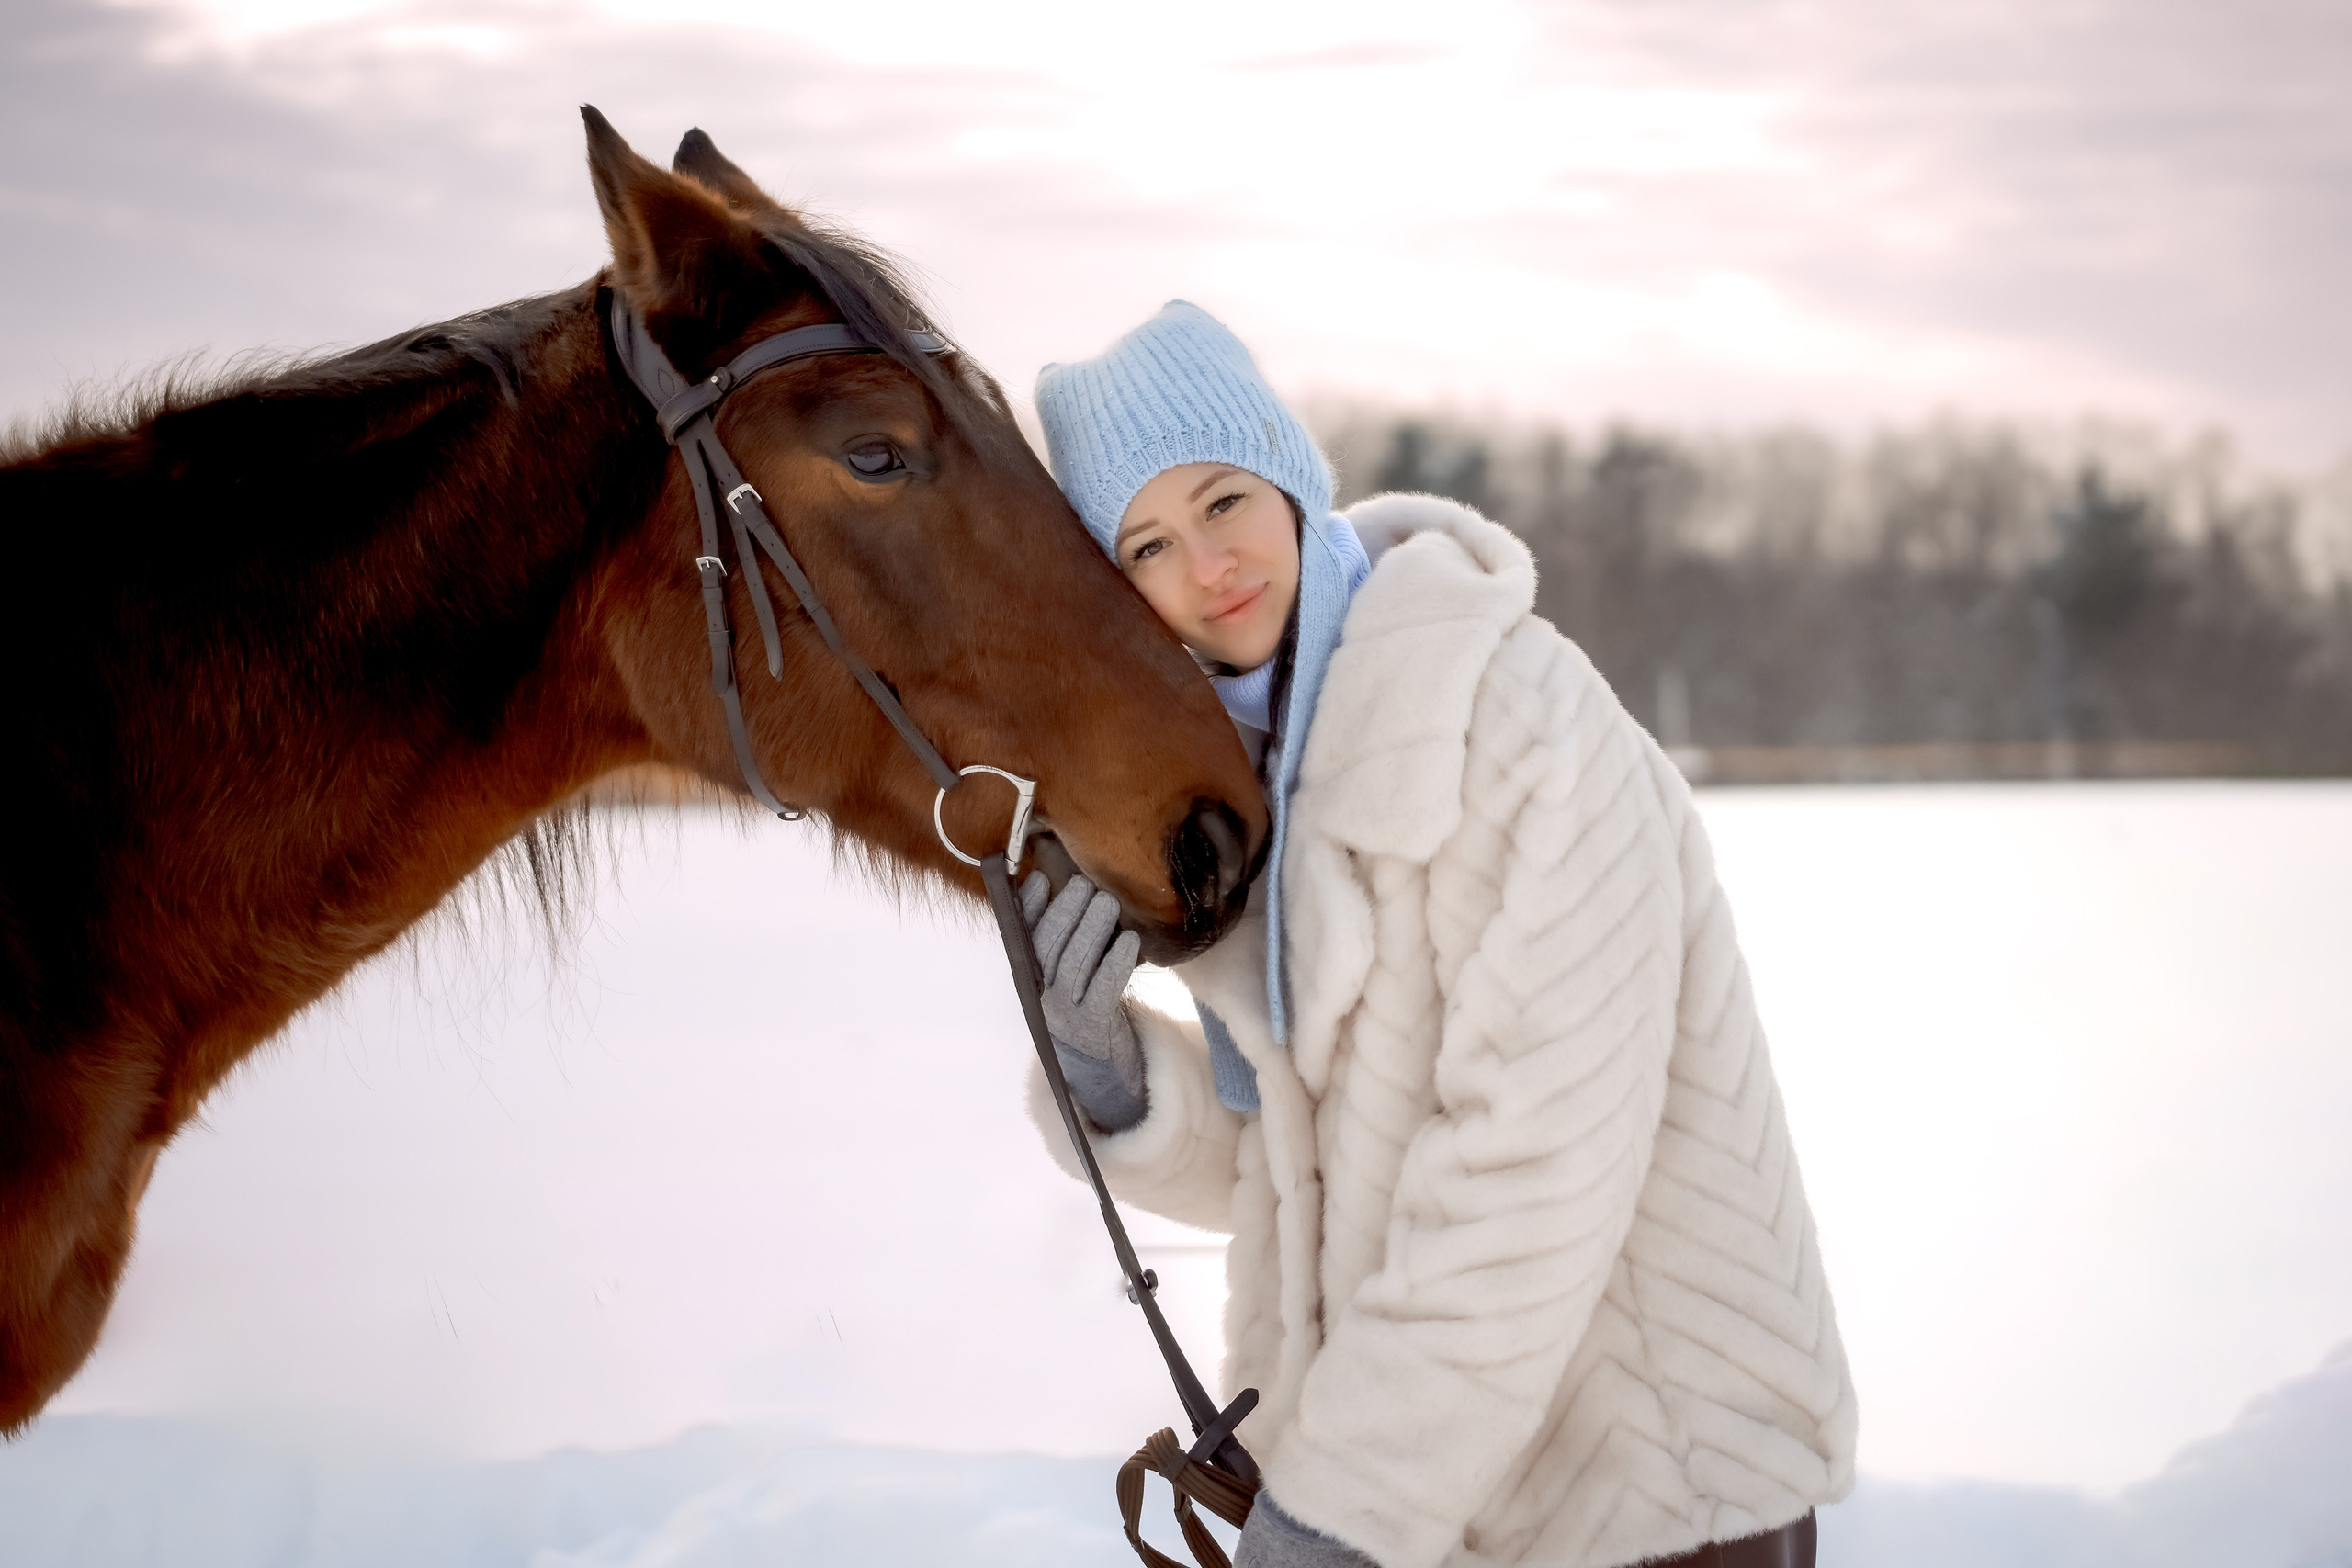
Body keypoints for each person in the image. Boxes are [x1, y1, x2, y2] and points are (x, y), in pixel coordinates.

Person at [1021, 302, 1855, 1568]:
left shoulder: (1513, 714)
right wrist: (1115, 1084)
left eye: (1224, 500)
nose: (1208, 566)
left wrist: (1341, 1511)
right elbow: (1303, 1183)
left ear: (1291, 480)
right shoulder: (1261, 786)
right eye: (1147, 544)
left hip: (1650, 1496)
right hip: (1448, 1515)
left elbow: (1537, 1169)